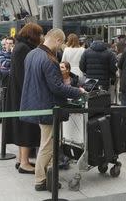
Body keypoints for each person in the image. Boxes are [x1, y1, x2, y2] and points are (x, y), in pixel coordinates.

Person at [19, 29, 84, 191]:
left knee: (47, 143)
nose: (61, 47)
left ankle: (49, 177)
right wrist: (78, 91)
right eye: (61, 43)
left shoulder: (32, 54)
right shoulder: (49, 59)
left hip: (36, 104)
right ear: (57, 40)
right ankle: (40, 180)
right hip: (48, 107)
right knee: (48, 146)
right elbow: (57, 88)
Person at [4, 23, 43, 174]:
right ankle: (25, 162)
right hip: (23, 94)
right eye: (38, 34)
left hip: (17, 92)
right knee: (26, 126)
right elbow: (25, 75)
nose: (40, 37)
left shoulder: (20, 46)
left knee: (22, 126)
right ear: (32, 34)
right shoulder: (24, 49)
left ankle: (21, 159)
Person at [0, 36, 15, 125]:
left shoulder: (14, 53)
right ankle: (1, 117)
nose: (8, 45)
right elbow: (4, 64)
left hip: (13, 77)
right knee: (3, 97)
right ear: (4, 45)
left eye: (11, 43)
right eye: (7, 43)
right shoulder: (1, 53)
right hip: (5, 77)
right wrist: (12, 62)